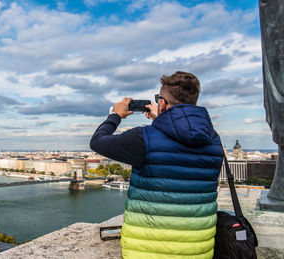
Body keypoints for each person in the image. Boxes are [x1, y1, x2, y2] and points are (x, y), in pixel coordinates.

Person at [90, 71, 223, 259]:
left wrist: (115, 115)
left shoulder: (143, 138)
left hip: (147, 251)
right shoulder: (213, 139)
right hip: (198, 250)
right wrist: (161, 120)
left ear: (161, 103)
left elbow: (98, 142)